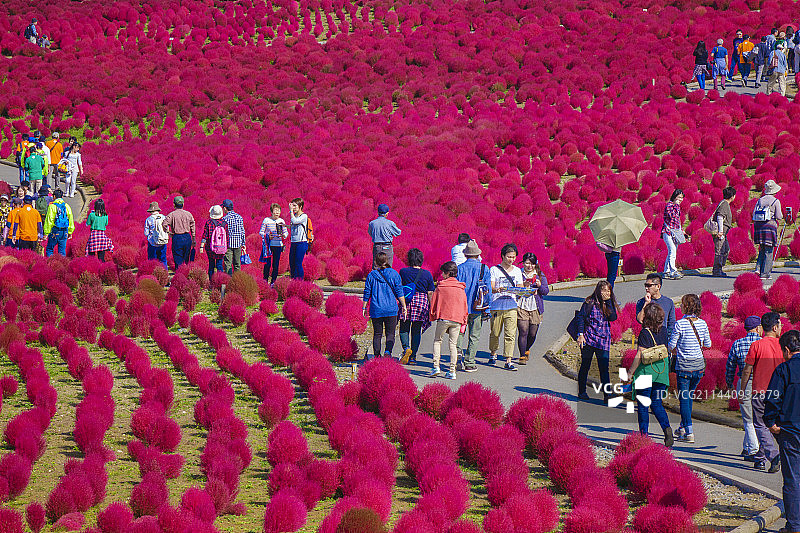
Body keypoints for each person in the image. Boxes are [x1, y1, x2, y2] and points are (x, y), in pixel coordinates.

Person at [763, 330, 800, 533]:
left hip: (790, 430)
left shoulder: (784, 370)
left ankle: (794, 525)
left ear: (786, 350)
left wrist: (770, 422)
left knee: (792, 479)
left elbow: (773, 398)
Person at [741, 312, 784, 472]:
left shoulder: (756, 346)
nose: (781, 327)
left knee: (760, 425)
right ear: (775, 327)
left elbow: (747, 370)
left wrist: (742, 390)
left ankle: (773, 455)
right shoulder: (783, 346)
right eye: (780, 325)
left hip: (760, 391)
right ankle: (760, 457)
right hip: (779, 393)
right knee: (772, 424)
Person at [627, 303, 673, 447]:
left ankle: (644, 437)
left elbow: (640, 354)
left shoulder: (645, 333)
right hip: (661, 373)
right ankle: (667, 429)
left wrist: (630, 372)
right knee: (657, 403)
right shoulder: (664, 331)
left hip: (646, 373)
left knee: (643, 405)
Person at [669, 294, 712, 444]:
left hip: (684, 368)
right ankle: (682, 427)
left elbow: (671, 345)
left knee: (684, 399)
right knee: (689, 397)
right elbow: (708, 344)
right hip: (698, 368)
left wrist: (677, 349)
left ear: (686, 307)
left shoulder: (680, 324)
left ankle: (689, 432)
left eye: (682, 304)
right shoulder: (703, 323)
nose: (680, 306)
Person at [725, 315, 763, 462]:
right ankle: (753, 450)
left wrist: (729, 384)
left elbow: (730, 366)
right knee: (757, 418)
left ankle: (749, 447)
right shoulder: (763, 343)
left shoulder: (737, 344)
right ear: (758, 328)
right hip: (762, 383)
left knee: (748, 418)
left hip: (745, 383)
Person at [576, 281, 619, 400]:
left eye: (608, 291)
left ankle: (607, 394)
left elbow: (613, 318)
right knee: (585, 365)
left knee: (604, 368)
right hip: (589, 339)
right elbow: (581, 317)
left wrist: (609, 302)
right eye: (604, 290)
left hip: (603, 341)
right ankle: (582, 392)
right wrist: (580, 335)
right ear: (598, 291)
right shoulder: (589, 302)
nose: (606, 293)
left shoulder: (609, 303)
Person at [427, 261, 468, 380]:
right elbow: (464, 305)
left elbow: (433, 302)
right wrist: (464, 321)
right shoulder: (461, 288)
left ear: (448, 273)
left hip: (443, 318)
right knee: (453, 345)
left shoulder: (441, 287)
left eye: (443, 273)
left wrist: (432, 316)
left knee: (437, 341)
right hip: (457, 319)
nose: (442, 275)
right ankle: (452, 371)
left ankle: (436, 367)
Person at [362, 252, 406, 359]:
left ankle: (377, 356)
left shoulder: (371, 275)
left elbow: (367, 292)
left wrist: (364, 307)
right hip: (391, 309)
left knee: (377, 334)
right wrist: (404, 306)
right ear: (387, 261)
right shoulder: (394, 274)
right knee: (390, 333)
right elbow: (399, 292)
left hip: (376, 309)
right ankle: (388, 352)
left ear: (376, 262)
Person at [456, 240, 490, 373]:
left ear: (465, 255)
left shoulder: (459, 268)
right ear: (477, 254)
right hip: (477, 307)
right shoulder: (484, 269)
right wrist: (487, 309)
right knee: (474, 336)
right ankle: (469, 362)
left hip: (461, 307)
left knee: (459, 333)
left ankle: (457, 355)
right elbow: (487, 291)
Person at [489, 243, 524, 371]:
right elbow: (491, 287)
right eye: (509, 257)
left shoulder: (517, 271)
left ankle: (508, 360)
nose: (511, 259)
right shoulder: (494, 269)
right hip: (497, 305)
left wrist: (523, 290)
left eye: (513, 257)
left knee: (510, 334)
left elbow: (520, 287)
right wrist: (497, 289)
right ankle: (493, 353)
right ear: (503, 256)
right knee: (495, 333)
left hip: (511, 306)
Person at [398, 248, 435, 366]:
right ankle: (413, 357)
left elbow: (399, 287)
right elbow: (430, 293)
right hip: (421, 303)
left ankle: (406, 348)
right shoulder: (427, 274)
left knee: (404, 327)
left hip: (407, 301)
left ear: (409, 259)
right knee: (416, 330)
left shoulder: (403, 271)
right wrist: (431, 307)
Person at [516, 253, 548, 365]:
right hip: (521, 305)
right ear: (523, 263)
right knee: (523, 331)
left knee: (532, 334)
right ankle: (522, 355)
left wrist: (539, 286)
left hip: (535, 307)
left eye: (532, 264)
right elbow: (513, 290)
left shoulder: (540, 275)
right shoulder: (518, 274)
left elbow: (545, 291)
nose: (529, 266)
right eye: (527, 263)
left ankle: (526, 349)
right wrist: (523, 287)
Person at [752, 179, 783, 280]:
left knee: (762, 249)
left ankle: (758, 269)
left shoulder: (760, 200)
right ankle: (765, 274)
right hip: (769, 228)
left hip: (759, 227)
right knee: (769, 251)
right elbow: (779, 216)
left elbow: (754, 213)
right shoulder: (775, 201)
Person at [162, 196, 196, 270]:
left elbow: (164, 224)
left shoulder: (171, 214)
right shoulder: (188, 214)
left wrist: (168, 232)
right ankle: (186, 273)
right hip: (187, 237)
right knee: (186, 258)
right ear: (183, 204)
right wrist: (193, 238)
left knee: (178, 259)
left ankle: (179, 273)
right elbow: (192, 225)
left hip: (177, 238)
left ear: (174, 204)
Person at [259, 203, 288, 283]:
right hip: (268, 245)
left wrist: (283, 235)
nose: (277, 212)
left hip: (278, 245)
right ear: (271, 212)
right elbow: (261, 232)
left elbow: (286, 233)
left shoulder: (281, 221)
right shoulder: (266, 220)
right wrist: (268, 236)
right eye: (275, 210)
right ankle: (265, 280)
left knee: (276, 264)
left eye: (279, 210)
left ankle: (273, 282)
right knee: (267, 264)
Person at [200, 205, 229, 281]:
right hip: (221, 248)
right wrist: (227, 247)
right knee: (219, 265)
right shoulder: (225, 223)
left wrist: (201, 246)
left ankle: (211, 282)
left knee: (211, 265)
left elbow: (205, 235)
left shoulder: (209, 223)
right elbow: (227, 237)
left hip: (210, 248)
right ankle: (220, 282)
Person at [368, 203, 401, 270]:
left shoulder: (372, 223)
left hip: (377, 247)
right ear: (386, 213)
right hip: (387, 247)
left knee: (376, 267)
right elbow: (398, 232)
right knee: (388, 267)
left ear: (378, 212)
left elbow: (370, 233)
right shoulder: (390, 223)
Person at [712, 186, 736, 277]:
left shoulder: (724, 203)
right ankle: (717, 271)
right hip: (720, 233)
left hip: (723, 233)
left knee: (725, 250)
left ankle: (719, 269)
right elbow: (720, 217)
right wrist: (720, 231)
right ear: (732, 196)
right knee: (720, 251)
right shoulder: (724, 204)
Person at [662, 188, 686, 280]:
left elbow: (677, 221)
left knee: (671, 252)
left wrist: (681, 230)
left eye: (682, 198)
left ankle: (666, 272)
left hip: (675, 233)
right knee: (672, 251)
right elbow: (671, 216)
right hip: (667, 232)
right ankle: (673, 271)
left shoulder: (677, 207)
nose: (680, 199)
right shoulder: (669, 205)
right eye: (679, 197)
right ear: (674, 197)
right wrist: (676, 205)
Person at [42, 189, 73, 257]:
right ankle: (62, 262)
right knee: (62, 250)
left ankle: (50, 262)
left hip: (55, 230)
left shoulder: (52, 206)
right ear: (62, 196)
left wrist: (46, 233)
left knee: (50, 249)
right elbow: (70, 218)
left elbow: (49, 220)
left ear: (54, 196)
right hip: (64, 230)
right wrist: (70, 232)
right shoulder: (67, 206)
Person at [289, 197, 312, 279]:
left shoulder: (304, 216)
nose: (293, 208)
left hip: (301, 243)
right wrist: (284, 226)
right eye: (292, 206)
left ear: (300, 206)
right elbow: (293, 226)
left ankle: (299, 281)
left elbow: (295, 221)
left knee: (298, 263)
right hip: (293, 242)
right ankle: (294, 280)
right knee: (292, 263)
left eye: (295, 206)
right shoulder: (294, 216)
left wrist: (291, 211)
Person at [221, 199, 244, 274]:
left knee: (228, 264)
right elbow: (242, 232)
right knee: (237, 264)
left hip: (228, 245)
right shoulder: (239, 217)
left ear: (225, 208)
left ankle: (229, 279)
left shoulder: (224, 219)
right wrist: (243, 244)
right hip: (238, 244)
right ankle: (237, 279)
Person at [144, 202, 169, 268]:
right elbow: (167, 229)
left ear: (151, 210)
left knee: (152, 261)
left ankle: (153, 272)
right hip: (163, 241)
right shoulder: (163, 217)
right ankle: (165, 272)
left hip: (152, 243)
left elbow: (146, 233)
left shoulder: (149, 219)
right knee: (163, 260)